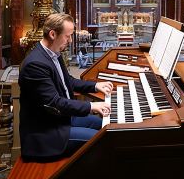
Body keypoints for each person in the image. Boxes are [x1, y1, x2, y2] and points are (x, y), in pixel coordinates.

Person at [19, 13, 113, 162]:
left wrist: (95, 86)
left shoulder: (53, 53)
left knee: (105, 125)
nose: (70, 41)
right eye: (67, 36)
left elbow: (67, 81)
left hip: (62, 120)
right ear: (52, 34)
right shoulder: (35, 64)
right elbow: (55, 102)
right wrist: (91, 105)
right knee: (102, 140)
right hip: (47, 133)